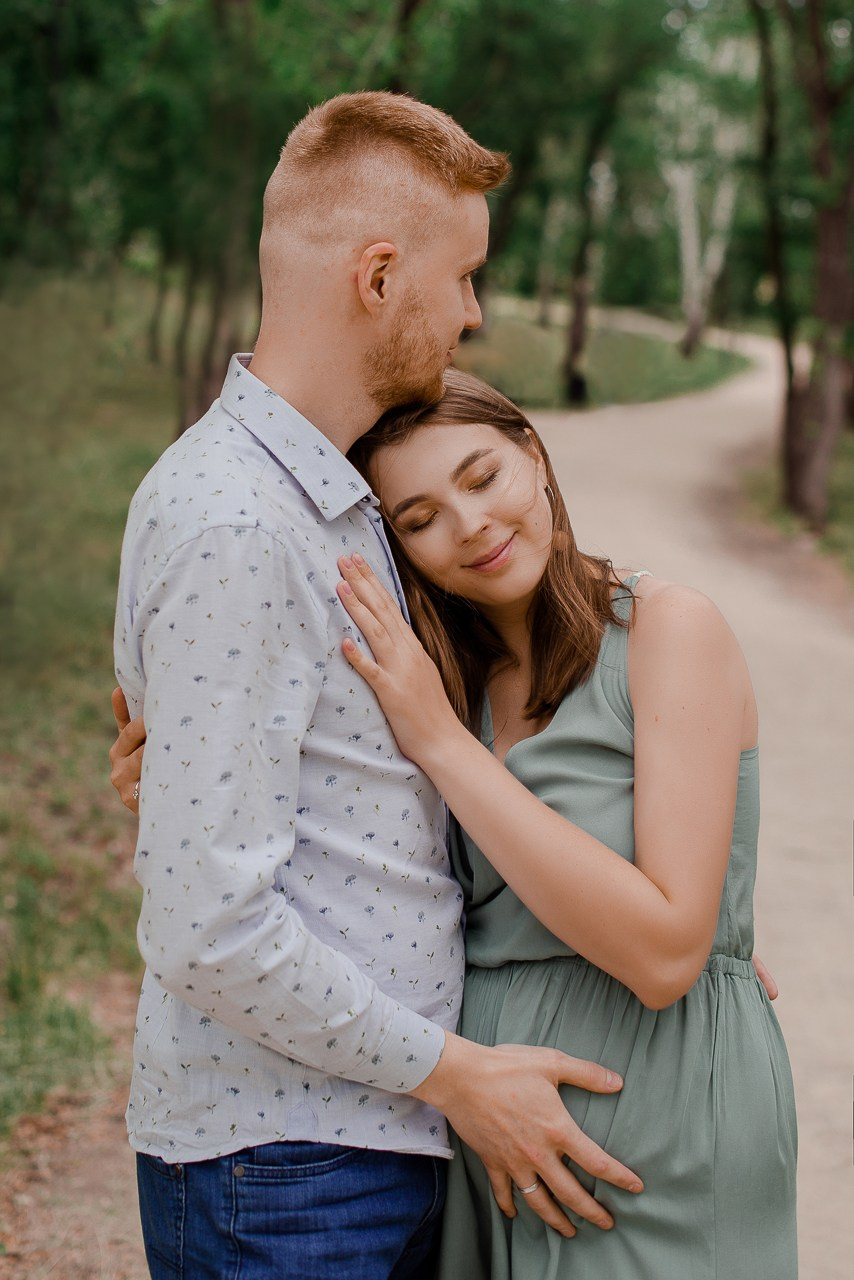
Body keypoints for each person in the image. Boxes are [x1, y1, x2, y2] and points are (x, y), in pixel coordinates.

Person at [110, 92, 643, 1280]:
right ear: (379, 275)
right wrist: (457, 1075)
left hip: (361, 1143)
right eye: (461, 277)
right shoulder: (237, 523)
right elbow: (208, 924)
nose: (474, 311)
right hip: (285, 1168)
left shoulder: (332, 500)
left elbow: (367, 812)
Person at [326, 368, 798, 1278]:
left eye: (482, 477)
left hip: (661, 1129)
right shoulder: (437, 681)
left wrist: (445, 748)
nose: (470, 527)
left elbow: (664, 955)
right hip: (489, 1137)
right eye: (420, 520)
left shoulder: (667, 632)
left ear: (534, 457)